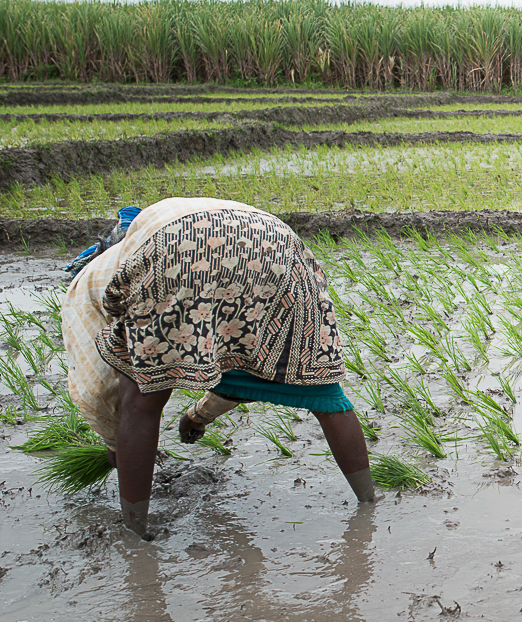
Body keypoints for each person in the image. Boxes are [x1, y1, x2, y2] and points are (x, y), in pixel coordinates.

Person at [62, 198, 375, 539]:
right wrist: (199, 416)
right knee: (323, 392)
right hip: (278, 246)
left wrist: (115, 445)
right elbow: (238, 363)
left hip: (179, 248)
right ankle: (369, 505)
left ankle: (135, 532)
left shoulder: (91, 278)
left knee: (142, 398)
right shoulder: (160, 224)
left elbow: (94, 392)